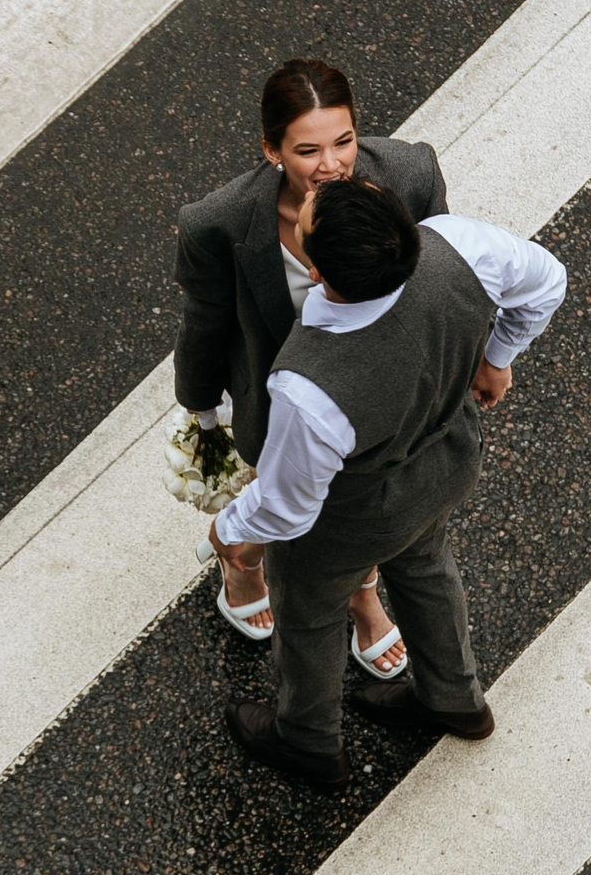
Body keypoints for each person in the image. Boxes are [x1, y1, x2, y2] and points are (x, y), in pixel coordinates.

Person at [211, 177, 566, 790]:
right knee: (425, 564)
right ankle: (455, 698)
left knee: (311, 610)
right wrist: (496, 356)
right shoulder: (456, 245)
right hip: (447, 459)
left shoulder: (308, 385)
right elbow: (546, 281)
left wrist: (230, 530)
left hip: (357, 515)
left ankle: (308, 739)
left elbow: (288, 510)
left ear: (319, 271)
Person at [174, 58, 446, 678]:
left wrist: (485, 358)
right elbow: (205, 320)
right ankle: (250, 566)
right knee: (312, 505)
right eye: (307, 150)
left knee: (360, 505)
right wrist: (202, 409)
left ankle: (335, 585)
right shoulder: (216, 223)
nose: (332, 165)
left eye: (344, 141)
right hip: (284, 398)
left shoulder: (410, 173)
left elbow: (440, 274)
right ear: (271, 150)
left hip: (378, 386)